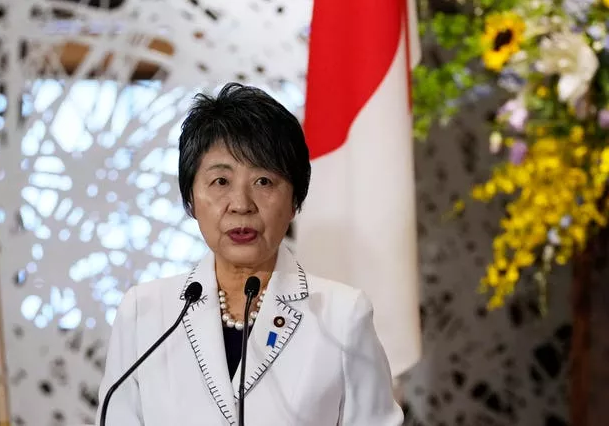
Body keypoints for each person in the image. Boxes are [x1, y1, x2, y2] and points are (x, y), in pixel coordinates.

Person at [96, 83, 403, 425]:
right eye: (221, 182)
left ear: (294, 203)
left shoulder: (342, 317)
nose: (241, 205)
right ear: (190, 200)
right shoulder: (143, 313)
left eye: (264, 182)